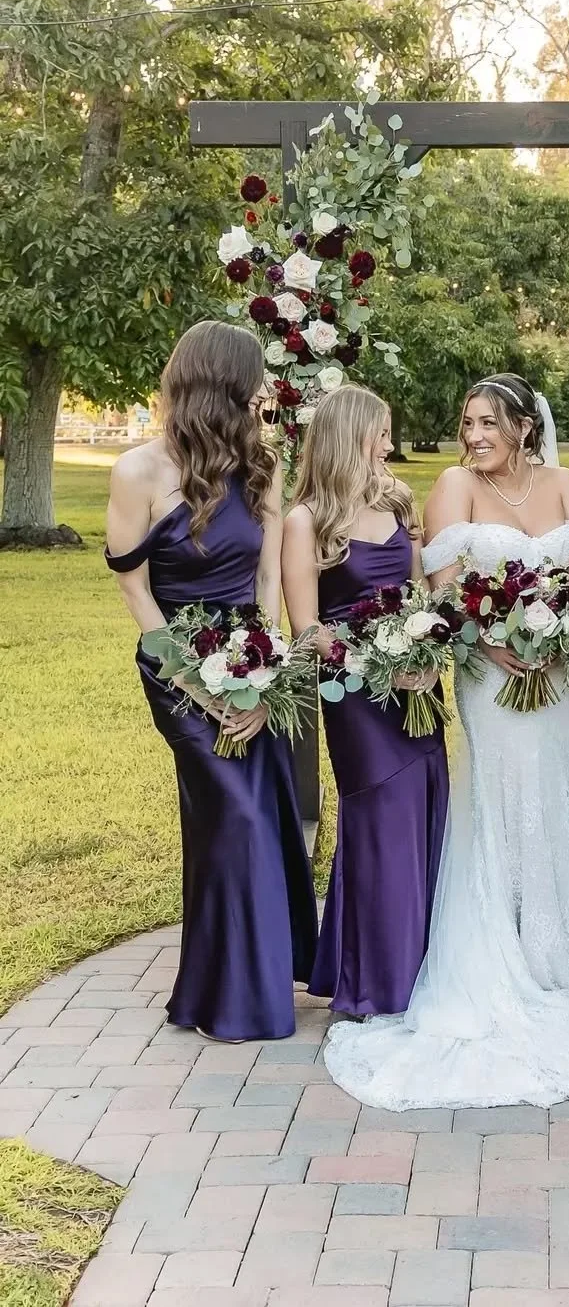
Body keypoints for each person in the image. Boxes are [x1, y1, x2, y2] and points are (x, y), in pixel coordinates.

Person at [321, 373, 569, 1108]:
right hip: (490, 674)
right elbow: (442, 587)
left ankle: (562, 963)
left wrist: (561, 628)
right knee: (503, 803)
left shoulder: (566, 483)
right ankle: (501, 953)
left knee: (567, 802)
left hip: (568, 677)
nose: (473, 436)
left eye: (487, 423)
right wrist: (494, 637)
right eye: (467, 423)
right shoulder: (455, 485)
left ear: (523, 427)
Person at [104, 320, 317, 1042]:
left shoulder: (262, 463)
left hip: (252, 664)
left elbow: (265, 580)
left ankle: (232, 982)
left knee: (259, 815)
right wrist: (198, 686)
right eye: (253, 380)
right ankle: (233, 997)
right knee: (235, 820)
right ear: (222, 383)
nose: (263, 392)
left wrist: (263, 676)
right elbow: (135, 591)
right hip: (177, 669)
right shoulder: (137, 471)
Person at [282, 385, 448, 1018]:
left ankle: (421, 968)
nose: (388, 443)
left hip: (415, 688)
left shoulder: (397, 499)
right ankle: (377, 978)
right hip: (354, 695)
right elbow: (306, 628)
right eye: (380, 433)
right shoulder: (306, 522)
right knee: (381, 819)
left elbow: (418, 595)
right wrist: (376, 663)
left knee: (424, 808)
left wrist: (424, 654)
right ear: (350, 437)